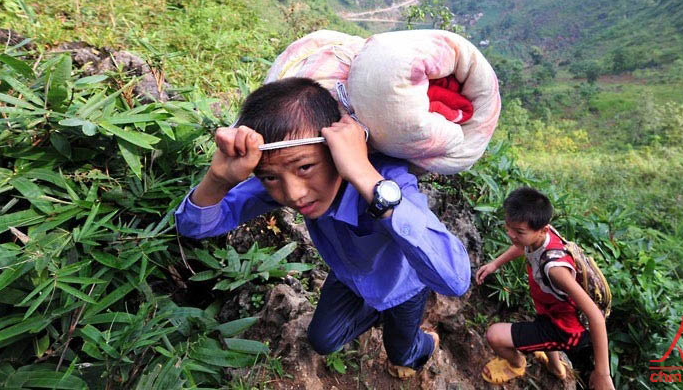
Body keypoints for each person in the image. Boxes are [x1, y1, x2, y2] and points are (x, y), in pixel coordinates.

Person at [175, 77, 471, 377]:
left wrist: (363, 174)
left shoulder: (385, 179)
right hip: (350, 278)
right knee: (323, 340)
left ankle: (423, 343)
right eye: (270, 177)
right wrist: (218, 179)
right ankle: (378, 313)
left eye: (305, 168)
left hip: (404, 286)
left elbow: (455, 280)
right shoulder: (287, 173)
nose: (293, 193)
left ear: (335, 149)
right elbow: (193, 226)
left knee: (401, 353)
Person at [475, 187, 615, 389]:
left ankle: (516, 364)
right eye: (508, 227)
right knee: (543, 327)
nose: (511, 234)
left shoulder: (555, 270)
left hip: (566, 330)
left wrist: (602, 373)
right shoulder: (542, 237)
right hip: (553, 312)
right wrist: (495, 263)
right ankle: (557, 369)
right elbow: (523, 246)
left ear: (543, 229)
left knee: (494, 335)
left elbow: (595, 316)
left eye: (518, 232)